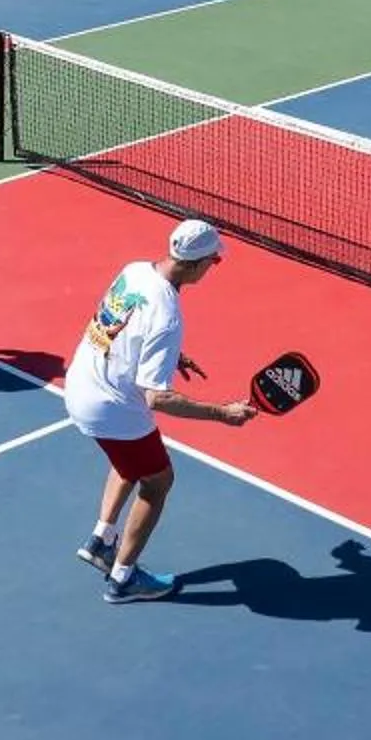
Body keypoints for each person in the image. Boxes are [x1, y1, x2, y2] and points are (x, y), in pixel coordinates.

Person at [67, 218, 250, 605]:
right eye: (214, 262)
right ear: (198, 264)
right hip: (110, 406)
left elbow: (122, 327)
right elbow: (158, 399)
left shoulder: (134, 271)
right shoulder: (168, 315)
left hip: (81, 382)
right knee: (157, 481)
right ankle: (124, 578)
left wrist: (168, 359)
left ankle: (102, 539)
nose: (212, 269)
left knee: (129, 457)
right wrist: (223, 414)